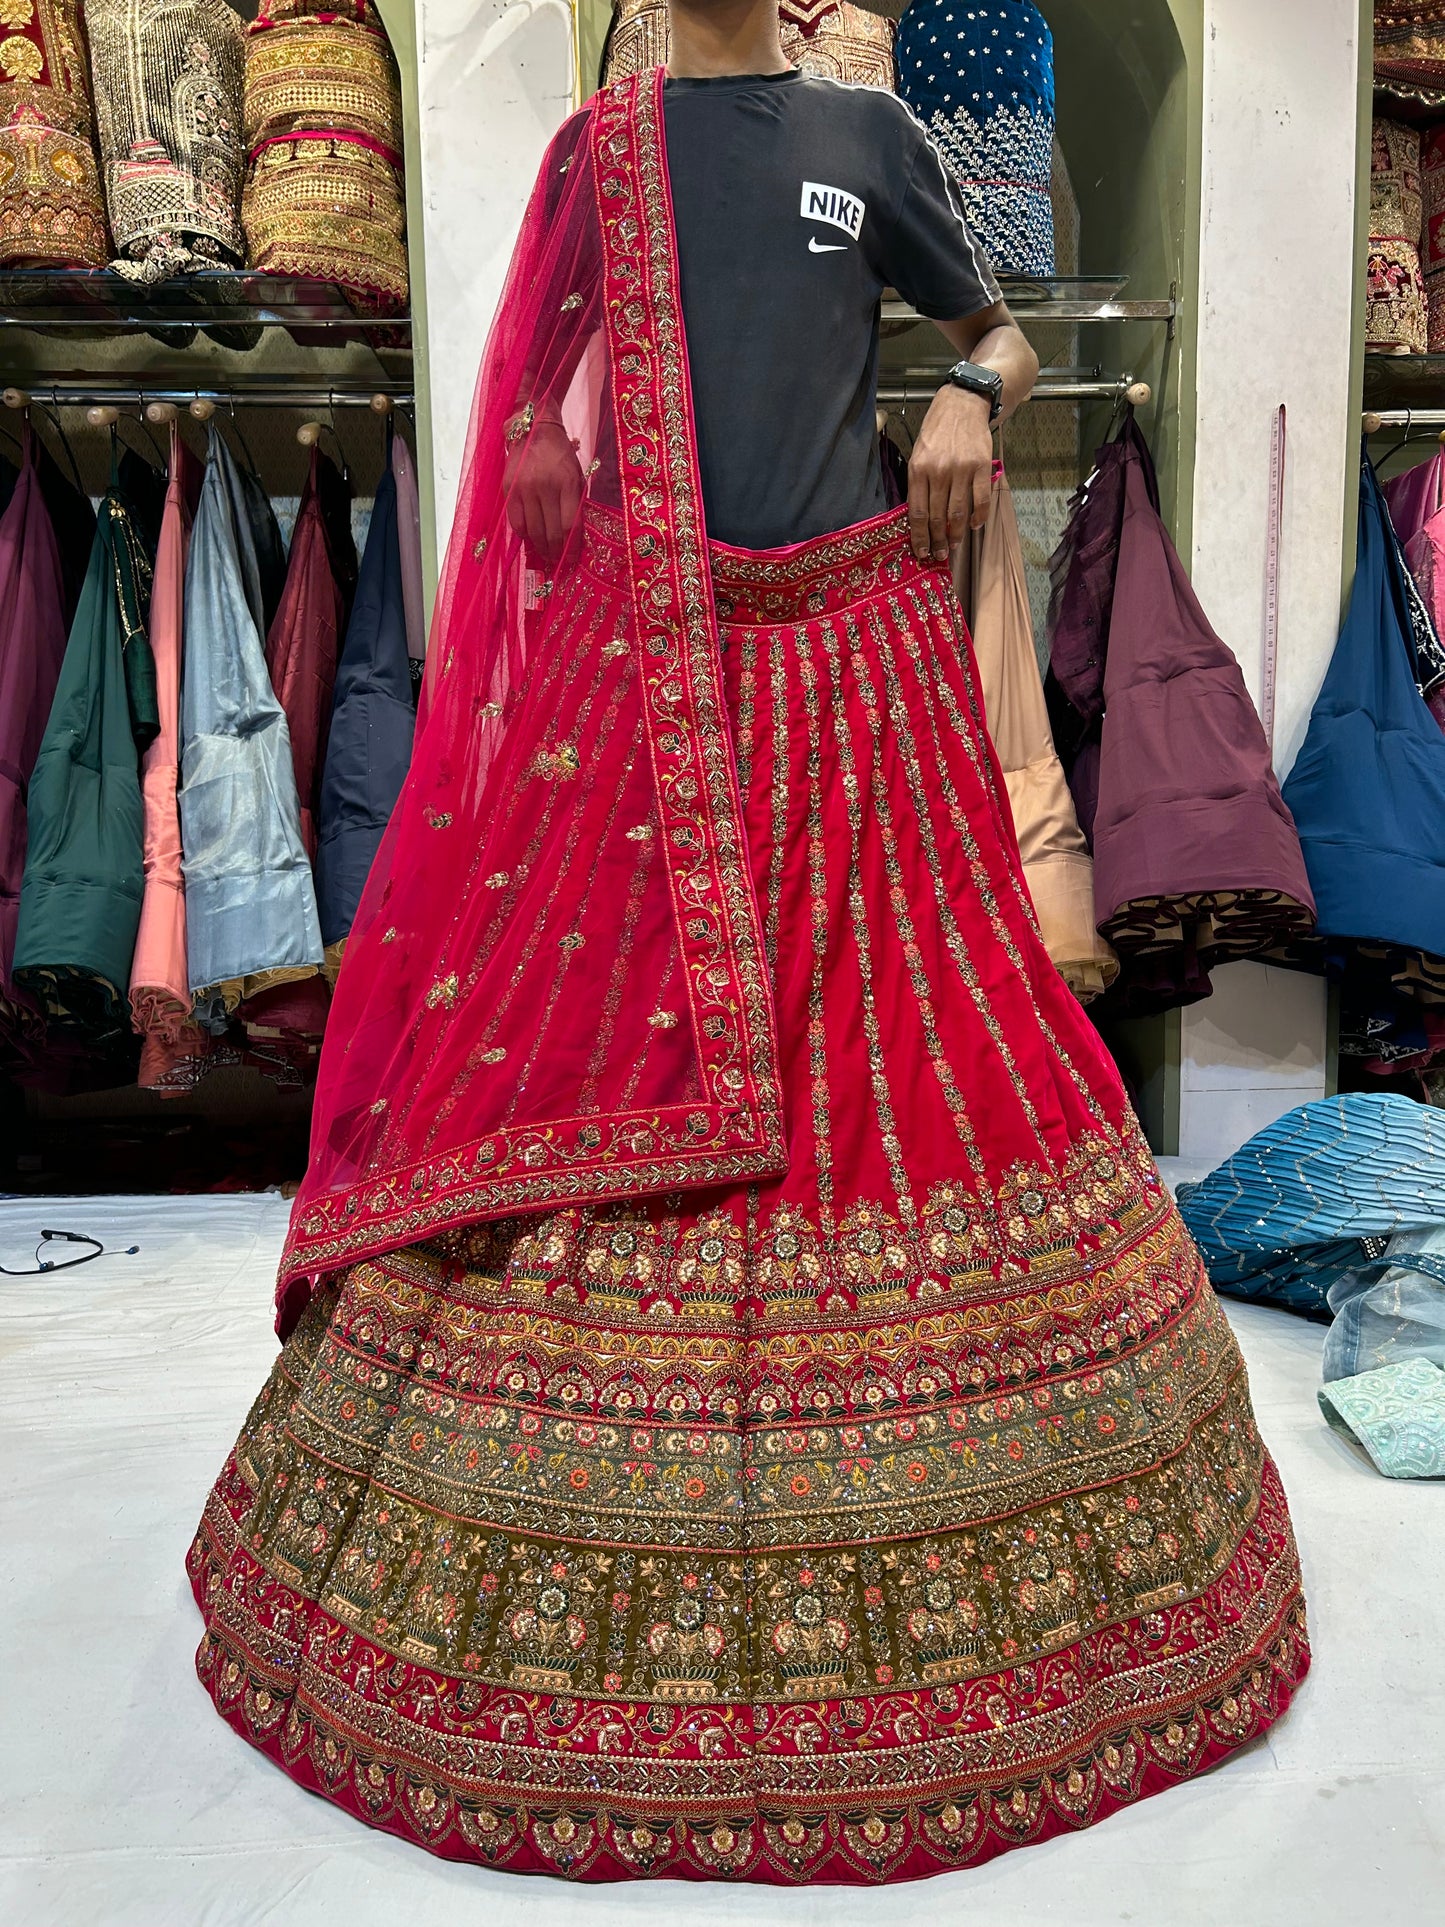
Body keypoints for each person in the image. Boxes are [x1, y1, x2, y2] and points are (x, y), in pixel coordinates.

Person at [188, 0, 1309, 1885]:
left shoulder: (865, 134)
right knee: (578, 1034)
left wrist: (972, 393)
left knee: (928, 1037)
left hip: (855, 662)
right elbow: (543, 384)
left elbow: (1000, 332)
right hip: (662, 679)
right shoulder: (589, 156)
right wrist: (542, 434)